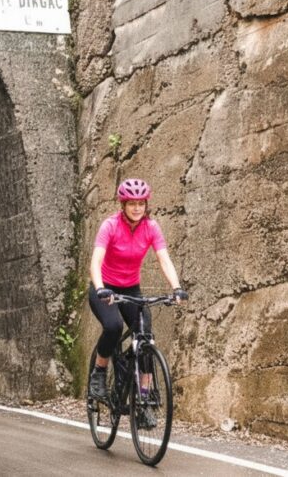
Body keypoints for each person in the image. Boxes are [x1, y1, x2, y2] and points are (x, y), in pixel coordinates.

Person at [87, 178, 188, 421]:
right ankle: (99, 374)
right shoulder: (110, 226)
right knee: (113, 327)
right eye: (131, 203)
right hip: (105, 288)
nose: (136, 208)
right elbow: (96, 262)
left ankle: (144, 400)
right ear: (123, 204)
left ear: (146, 204)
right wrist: (101, 288)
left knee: (145, 337)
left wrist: (176, 288)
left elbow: (164, 259)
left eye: (140, 203)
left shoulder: (151, 228)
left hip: (131, 289)